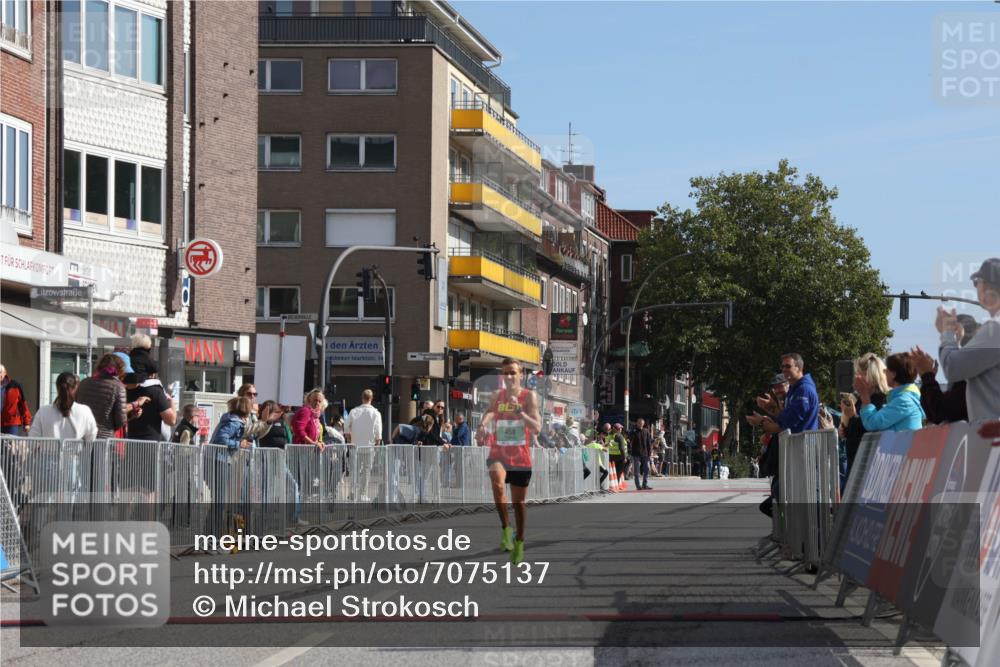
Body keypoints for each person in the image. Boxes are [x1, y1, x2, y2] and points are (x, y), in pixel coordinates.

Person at [477, 358, 541, 565]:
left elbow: (537, 428)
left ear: (520, 374)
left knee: (519, 503)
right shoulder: (498, 396)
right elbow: (489, 413)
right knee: (497, 481)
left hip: (520, 456)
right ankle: (506, 528)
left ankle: (520, 541)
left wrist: (520, 412)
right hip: (499, 451)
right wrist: (482, 425)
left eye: (513, 372)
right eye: (505, 373)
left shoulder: (529, 397)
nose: (509, 377)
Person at [747, 354, 820, 517]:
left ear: (799, 368)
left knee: (786, 492)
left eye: (788, 366)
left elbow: (787, 422)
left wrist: (763, 420)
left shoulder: (804, 389)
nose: (784, 370)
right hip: (795, 451)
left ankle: (804, 534)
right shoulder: (796, 388)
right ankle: (792, 534)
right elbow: (784, 418)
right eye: (782, 366)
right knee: (780, 491)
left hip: (803, 450)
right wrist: (771, 409)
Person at [938, 258, 1000, 422]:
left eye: (976, 283)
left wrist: (947, 333)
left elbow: (953, 368)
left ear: (985, 286)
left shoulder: (995, 330)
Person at [911, 316, 978, 424]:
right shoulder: (965, 376)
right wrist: (926, 377)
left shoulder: (973, 376)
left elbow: (942, 412)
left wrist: (927, 376)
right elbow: (933, 415)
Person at [840, 353, 889, 474]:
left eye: (859, 374)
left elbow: (872, 428)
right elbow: (855, 428)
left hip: (869, 464)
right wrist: (844, 429)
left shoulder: (882, 399)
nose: (856, 378)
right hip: (855, 459)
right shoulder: (860, 398)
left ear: (870, 376)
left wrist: (853, 416)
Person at [856, 352, 925, 432]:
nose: (884, 373)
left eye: (886, 370)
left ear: (893, 374)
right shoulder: (902, 398)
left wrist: (864, 396)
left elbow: (872, 424)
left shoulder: (904, 401)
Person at [76, 353, 133, 439]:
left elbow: (76, 407)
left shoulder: (84, 383)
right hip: (104, 437)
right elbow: (120, 420)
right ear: (120, 369)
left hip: (82, 435)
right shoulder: (119, 387)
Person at [29, 372, 98, 442]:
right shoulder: (85, 411)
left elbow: (33, 440)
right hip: (76, 453)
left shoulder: (43, 411)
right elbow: (91, 437)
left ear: (57, 388)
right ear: (75, 388)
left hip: (47, 452)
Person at [0, 363, 32, 435]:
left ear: (5, 373)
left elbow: (23, 404)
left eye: (0, 372)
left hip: (11, 423)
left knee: (11, 445)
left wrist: (26, 422)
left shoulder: (14, 385)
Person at [629, 418, 653, 490]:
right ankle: (638, 485)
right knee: (637, 470)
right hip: (636, 454)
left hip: (645, 453)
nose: (640, 425)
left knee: (647, 469)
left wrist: (649, 453)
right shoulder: (634, 431)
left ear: (643, 424)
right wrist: (632, 432)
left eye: (641, 423)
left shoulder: (646, 431)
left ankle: (644, 484)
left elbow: (649, 443)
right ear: (637, 423)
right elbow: (630, 440)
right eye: (639, 423)